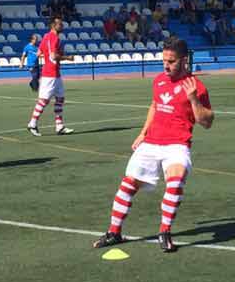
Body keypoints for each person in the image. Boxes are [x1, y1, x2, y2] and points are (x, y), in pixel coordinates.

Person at [90, 37, 213, 254]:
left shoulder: (197, 87)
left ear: (184, 61)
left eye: (171, 61)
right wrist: (142, 132)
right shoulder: (158, 80)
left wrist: (193, 99)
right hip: (152, 142)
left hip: (177, 144)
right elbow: (155, 105)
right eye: (164, 60)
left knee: (175, 183)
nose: (166, 65)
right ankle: (114, 232)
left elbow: (207, 122)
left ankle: (164, 231)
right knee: (127, 185)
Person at [27, 17, 74, 136]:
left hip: (54, 73)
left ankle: (59, 126)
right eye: (60, 24)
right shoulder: (54, 38)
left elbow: (39, 53)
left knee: (60, 99)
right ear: (53, 26)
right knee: (43, 101)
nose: (62, 26)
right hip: (50, 74)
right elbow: (53, 56)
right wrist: (67, 58)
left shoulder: (45, 37)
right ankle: (32, 124)